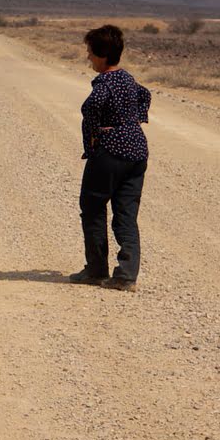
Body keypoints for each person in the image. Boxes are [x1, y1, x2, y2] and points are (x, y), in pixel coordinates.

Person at [70, 24, 150, 291]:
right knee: (126, 213)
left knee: (92, 207)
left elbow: (90, 106)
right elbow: (145, 95)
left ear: (102, 55)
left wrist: (96, 135)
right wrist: (132, 120)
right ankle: (127, 275)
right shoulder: (127, 78)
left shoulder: (104, 81)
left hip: (110, 151)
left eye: (91, 53)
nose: (88, 58)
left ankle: (96, 271)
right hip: (137, 150)